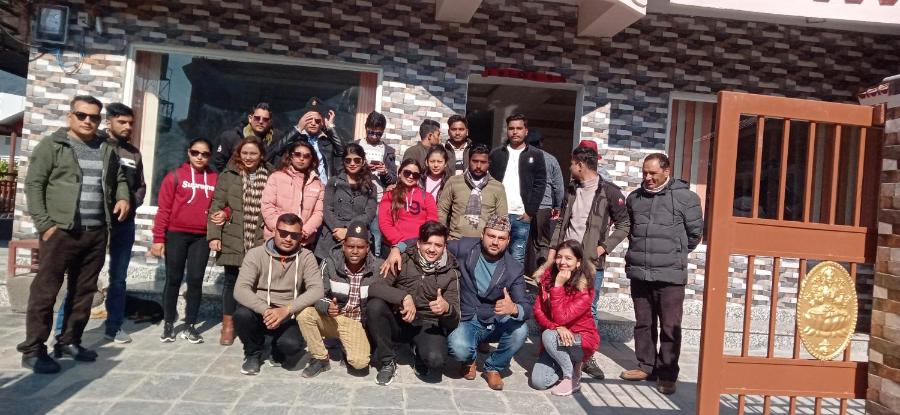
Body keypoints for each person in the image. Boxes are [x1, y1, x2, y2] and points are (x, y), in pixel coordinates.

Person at [19, 95, 130, 374]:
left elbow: (118, 178)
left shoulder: (106, 147)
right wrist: (45, 225)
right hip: (60, 232)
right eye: (82, 115)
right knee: (45, 291)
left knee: (83, 291)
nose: (88, 121)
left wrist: (123, 197)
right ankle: (33, 349)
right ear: (71, 116)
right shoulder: (53, 145)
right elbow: (34, 184)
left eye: (94, 117)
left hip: (95, 232)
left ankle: (69, 341)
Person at [382, 214, 530, 391]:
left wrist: (514, 308)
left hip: (494, 319)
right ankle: (469, 359)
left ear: (508, 240)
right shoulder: (466, 247)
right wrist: (397, 248)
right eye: (491, 236)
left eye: (501, 238)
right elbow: (431, 241)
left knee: (521, 330)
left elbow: (526, 305)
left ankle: (494, 367)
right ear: (482, 234)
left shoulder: (514, 268)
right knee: (459, 347)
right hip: (466, 318)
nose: (495, 242)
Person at [53, 102, 146, 343]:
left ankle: (113, 326)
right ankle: (63, 330)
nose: (127, 127)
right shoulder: (96, 145)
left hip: (124, 224)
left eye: (131, 123)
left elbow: (140, 186)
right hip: (95, 221)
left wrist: (132, 203)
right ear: (109, 121)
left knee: (119, 278)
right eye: (122, 122)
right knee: (82, 276)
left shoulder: (133, 153)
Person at [544, 143, 630, 380]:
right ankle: (557, 349)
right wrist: (553, 251)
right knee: (560, 301)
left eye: (572, 164)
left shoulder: (610, 192)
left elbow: (624, 225)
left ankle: (586, 355)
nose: (570, 167)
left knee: (588, 309)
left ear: (580, 165)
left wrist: (602, 248)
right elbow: (562, 223)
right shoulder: (572, 190)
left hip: (591, 263)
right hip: (565, 260)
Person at [619, 153, 703, 395]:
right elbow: (631, 229)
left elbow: (695, 235)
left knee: (670, 326)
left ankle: (667, 374)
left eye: (653, 173)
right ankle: (646, 366)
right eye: (644, 172)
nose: (647, 177)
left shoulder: (686, 198)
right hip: (640, 271)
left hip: (670, 275)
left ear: (667, 171)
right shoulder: (635, 198)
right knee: (643, 323)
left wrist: (674, 252)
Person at [368, 221, 460, 385]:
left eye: (438, 245)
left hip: (427, 324)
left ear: (444, 247)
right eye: (427, 243)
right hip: (399, 318)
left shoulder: (450, 272)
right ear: (418, 243)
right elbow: (375, 288)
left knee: (435, 360)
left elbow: (455, 319)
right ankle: (388, 361)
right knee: (375, 306)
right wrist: (403, 297)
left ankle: (418, 350)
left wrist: (446, 309)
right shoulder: (402, 259)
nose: (432, 249)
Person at [233, 213, 323, 375]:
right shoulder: (256, 254)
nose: (288, 239)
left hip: (288, 314)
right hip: (261, 311)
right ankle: (253, 353)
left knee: (290, 346)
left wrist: (286, 310)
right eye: (283, 233)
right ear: (274, 231)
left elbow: (317, 290)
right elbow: (240, 289)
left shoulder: (306, 257)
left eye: (294, 235)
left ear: (300, 236)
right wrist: (266, 310)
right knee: (242, 314)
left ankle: (275, 348)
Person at [150, 138, 218, 344]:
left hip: (201, 237)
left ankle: (190, 325)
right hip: (176, 234)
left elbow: (222, 205)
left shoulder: (215, 178)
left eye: (205, 154)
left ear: (210, 156)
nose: (200, 157)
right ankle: (169, 323)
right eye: (195, 152)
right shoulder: (175, 176)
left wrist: (222, 216)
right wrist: (158, 238)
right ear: (189, 152)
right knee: (173, 279)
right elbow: (164, 210)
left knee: (196, 280)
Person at [297, 221, 382, 378]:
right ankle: (320, 358)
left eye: (360, 247)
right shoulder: (329, 263)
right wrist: (327, 306)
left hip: (357, 324)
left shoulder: (378, 267)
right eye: (350, 246)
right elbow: (317, 294)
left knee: (360, 364)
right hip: (336, 319)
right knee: (304, 314)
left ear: (368, 248)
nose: (354, 251)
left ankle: (347, 347)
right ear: (343, 246)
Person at [208, 137, 271, 346]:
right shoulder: (229, 175)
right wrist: (214, 235)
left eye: (253, 153)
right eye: (245, 153)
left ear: (261, 155)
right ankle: (228, 325)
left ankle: (252, 323)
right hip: (233, 234)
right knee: (231, 281)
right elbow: (217, 205)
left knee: (257, 282)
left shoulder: (271, 175)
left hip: (260, 236)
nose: (248, 157)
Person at [531, 240, 599, 396]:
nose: (562, 262)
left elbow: (561, 318)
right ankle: (565, 363)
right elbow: (538, 312)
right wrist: (556, 328)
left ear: (578, 262)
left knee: (548, 335)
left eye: (568, 258)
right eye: (559, 257)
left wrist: (558, 287)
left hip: (579, 340)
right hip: (556, 338)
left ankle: (571, 376)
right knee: (539, 382)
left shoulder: (585, 287)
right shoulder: (547, 278)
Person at [488, 113, 546, 265]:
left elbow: (540, 184)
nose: (515, 132)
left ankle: (514, 282)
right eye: (511, 128)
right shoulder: (497, 154)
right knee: (494, 253)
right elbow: (489, 182)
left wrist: (530, 211)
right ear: (507, 130)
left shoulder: (536, 155)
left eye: (519, 128)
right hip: (498, 213)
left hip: (521, 214)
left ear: (526, 131)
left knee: (517, 256)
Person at [315, 143, 378, 260]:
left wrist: (348, 230)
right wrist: (338, 229)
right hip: (333, 235)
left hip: (358, 236)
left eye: (357, 160)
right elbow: (327, 209)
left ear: (363, 161)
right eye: (348, 160)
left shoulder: (370, 187)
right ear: (344, 162)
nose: (352, 163)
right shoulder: (333, 182)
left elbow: (369, 214)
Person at [261, 140, 324, 249]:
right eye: (297, 154)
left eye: (306, 156)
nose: (301, 158)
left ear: (312, 159)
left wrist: (304, 232)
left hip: (303, 241)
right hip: (276, 238)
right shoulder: (276, 177)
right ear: (291, 156)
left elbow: (319, 213)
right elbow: (267, 206)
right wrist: (283, 230)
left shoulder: (317, 184)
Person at [437, 144, 507, 239]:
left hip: (484, 242)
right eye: (475, 161)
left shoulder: (497, 187)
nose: (478, 166)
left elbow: (501, 218)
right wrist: (442, 235)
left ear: (489, 163)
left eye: (483, 162)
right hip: (455, 240)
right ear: (468, 160)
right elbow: (441, 210)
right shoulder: (454, 182)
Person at [268, 97, 345, 183]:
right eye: (309, 120)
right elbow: (275, 152)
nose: (313, 123)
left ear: (322, 122)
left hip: (324, 186)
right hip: (299, 185)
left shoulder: (328, 141)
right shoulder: (295, 138)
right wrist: (297, 129)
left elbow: (343, 152)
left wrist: (331, 127)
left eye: (317, 121)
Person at [523, 130, 564, 281]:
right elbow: (559, 187)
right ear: (541, 142)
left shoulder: (522, 157)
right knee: (542, 243)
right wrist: (557, 206)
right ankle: (542, 275)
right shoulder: (551, 160)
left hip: (523, 206)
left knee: (521, 240)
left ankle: (520, 274)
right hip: (544, 206)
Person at [356, 111, 397, 256]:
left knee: (376, 234)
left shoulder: (388, 151)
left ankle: (375, 262)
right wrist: (362, 167)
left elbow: (394, 179)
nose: (374, 136)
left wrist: (385, 171)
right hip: (358, 195)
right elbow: (344, 170)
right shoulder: (355, 146)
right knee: (356, 231)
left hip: (379, 198)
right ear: (366, 127)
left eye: (378, 134)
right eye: (371, 132)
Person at [378, 159, 438, 247]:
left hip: (419, 245)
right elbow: (385, 223)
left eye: (415, 175)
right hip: (395, 245)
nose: (411, 176)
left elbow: (431, 222)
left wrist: (421, 241)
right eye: (407, 173)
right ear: (399, 173)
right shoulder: (389, 195)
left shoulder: (427, 197)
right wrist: (401, 243)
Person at [213, 102, 277, 172]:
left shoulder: (275, 141)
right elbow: (219, 162)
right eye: (257, 118)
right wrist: (232, 176)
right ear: (250, 118)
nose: (261, 121)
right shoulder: (231, 137)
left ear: (269, 122)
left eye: (265, 119)